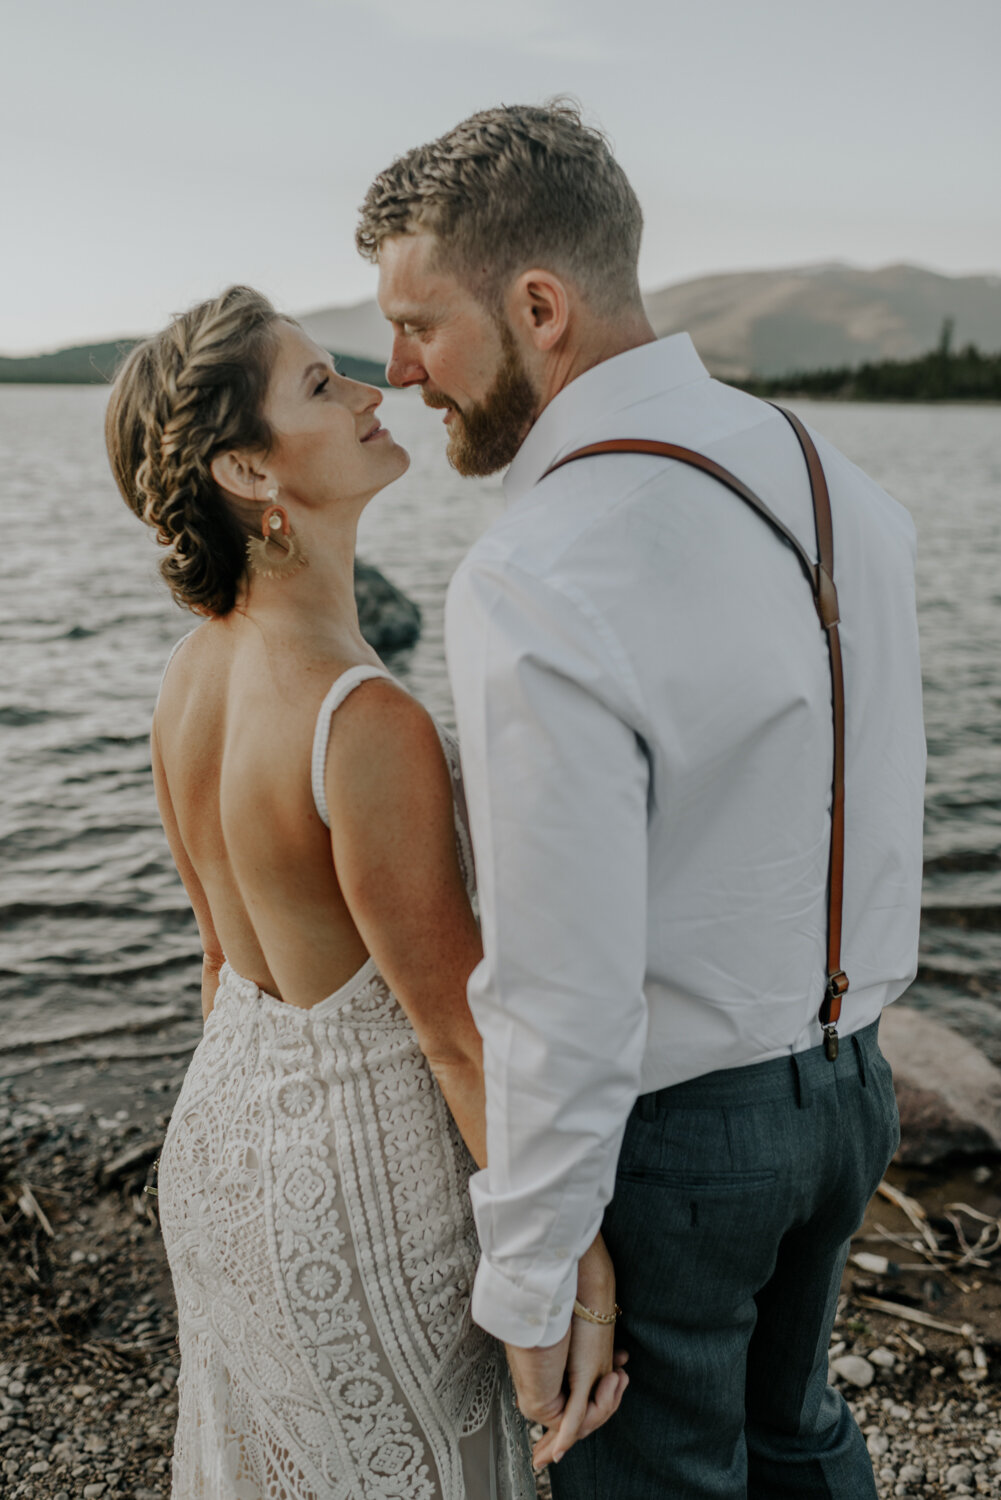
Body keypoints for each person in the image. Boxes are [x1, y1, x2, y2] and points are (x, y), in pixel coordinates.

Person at [357, 101, 926, 1497]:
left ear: (538, 304)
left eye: (421, 323)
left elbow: (565, 983)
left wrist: (534, 1271)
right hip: (849, 1089)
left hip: (680, 1145)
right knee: (799, 1438)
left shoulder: (539, 569)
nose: (396, 368)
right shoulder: (836, 478)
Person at [104, 284, 626, 1500]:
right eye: (318, 387)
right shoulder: (364, 717)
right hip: (357, 1197)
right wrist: (574, 1265)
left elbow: (218, 962)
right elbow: (451, 1036)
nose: (371, 392)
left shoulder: (188, 676)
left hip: (219, 1149)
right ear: (246, 470)